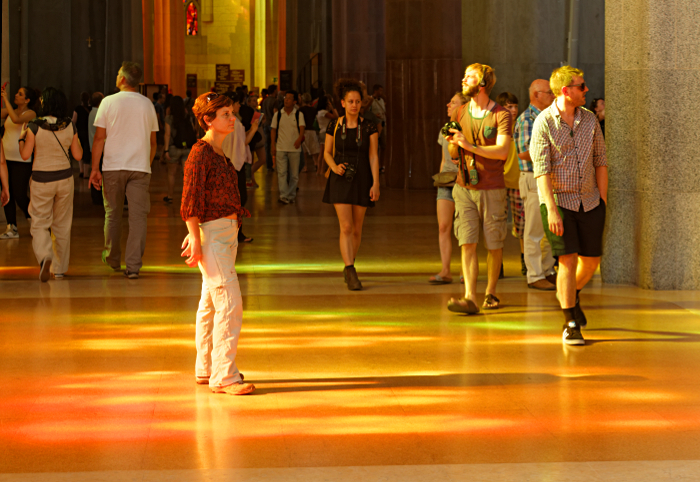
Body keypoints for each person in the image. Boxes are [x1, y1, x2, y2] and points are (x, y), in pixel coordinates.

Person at [180, 91, 255, 395]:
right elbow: (190, 200)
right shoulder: (201, 153)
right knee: (230, 302)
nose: (232, 118)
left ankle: (206, 367)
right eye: (225, 114)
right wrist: (196, 238)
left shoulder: (218, 151)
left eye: (232, 113)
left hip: (223, 234)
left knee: (211, 302)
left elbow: (204, 198)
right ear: (207, 120)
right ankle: (224, 375)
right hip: (214, 237)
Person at [531, 66, 607, 346]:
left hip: (590, 202)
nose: (586, 90)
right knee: (567, 260)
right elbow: (541, 170)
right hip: (559, 203)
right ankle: (570, 322)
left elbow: (601, 160)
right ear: (566, 91)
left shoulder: (589, 120)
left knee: (591, 262)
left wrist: (602, 200)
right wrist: (551, 209)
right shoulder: (544, 123)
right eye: (581, 86)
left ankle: (569, 295)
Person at [445, 63, 512, 314]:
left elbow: (503, 151)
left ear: (482, 84)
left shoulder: (501, 115)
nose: (464, 80)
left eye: (469, 77)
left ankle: (491, 291)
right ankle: (470, 297)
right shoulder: (460, 111)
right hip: (463, 186)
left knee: (494, 244)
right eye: (464, 76)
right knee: (467, 241)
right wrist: (453, 144)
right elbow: (453, 149)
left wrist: (469, 146)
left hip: (492, 187)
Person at [90, 61, 159, 279]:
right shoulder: (147, 104)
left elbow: (100, 138)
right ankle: (133, 266)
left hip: (113, 166)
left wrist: (94, 169)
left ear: (122, 79)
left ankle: (112, 257)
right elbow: (153, 142)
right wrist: (145, 163)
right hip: (140, 167)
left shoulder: (108, 102)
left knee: (113, 214)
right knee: (138, 218)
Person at [322, 79, 380, 290]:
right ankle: (350, 269)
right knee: (345, 226)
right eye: (350, 101)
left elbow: (373, 156)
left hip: (362, 176)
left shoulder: (369, 126)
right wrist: (334, 166)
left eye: (358, 101)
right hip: (341, 176)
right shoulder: (334, 125)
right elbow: (327, 152)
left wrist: (376, 183)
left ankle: (350, 264)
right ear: (343, 103)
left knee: (356, 229)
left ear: (362, 103)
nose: (354, 105)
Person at [19, 87, 82, 281]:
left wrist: (22, 138)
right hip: (64, 179)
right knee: (62, 224)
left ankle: (45, 255)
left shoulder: (34, 126)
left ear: (43, 103)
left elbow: (25, 155)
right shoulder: (69, 125)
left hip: (41, 180)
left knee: (39, 222)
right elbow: (78, 155)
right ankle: (60, 268)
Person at [514, 79, 558, 290]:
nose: (553, 96)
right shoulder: (527, 119)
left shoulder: (549, 117)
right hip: (532, 178)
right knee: (533, 230)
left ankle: (548, 270)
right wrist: (555, 151)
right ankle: (534, 275)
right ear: (536, 95)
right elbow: (524, 151)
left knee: (551, 229)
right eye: (549, 93)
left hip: (548, 177)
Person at [430, 92, 468, 285]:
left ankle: (465, 270)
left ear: (462, 107)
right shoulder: (444, 130)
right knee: (443, 226)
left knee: (464, 228)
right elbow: (444, 159)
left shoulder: (468, 129)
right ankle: (445, 270)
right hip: (446, 182)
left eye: (453, 103)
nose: (448, 105)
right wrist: (440, 178)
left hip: (463, 182)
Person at [496, 92, 527, 278]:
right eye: (509, 107)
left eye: (515, 106)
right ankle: (497, 265)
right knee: (497, 224)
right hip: (499, 182)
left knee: (522, 225)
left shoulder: (522, 125)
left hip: (518, 182)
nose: (513, 110)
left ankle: (525, 261)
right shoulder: (497, 127)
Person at [0, 85, 37, 239]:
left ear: (27, 100)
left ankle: (35, 220)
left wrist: (5, 99)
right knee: (7, 193)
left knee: (20, 194)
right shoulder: (9, 111)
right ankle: (11, 227)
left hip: (22, 159)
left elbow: (16, 120)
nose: (16, 95)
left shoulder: (30, 113)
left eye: (20, 94)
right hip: (4, 159)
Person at [270, 90, 305, 204]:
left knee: (294, 174)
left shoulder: (298, 114)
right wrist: (273, 145)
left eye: (290, 98)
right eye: (286, 98)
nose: (286, 100)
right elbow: (273, 130)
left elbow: (302, 128)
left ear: (294, 101)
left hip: (294, 148)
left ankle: (291, 195)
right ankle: (283, 195)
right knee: (282, 173)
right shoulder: (278, 114)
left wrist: (299, 139)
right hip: (281, 147)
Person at [163, 96, 196, 203]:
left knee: (171, 174)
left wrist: (166, 150)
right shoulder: (187, 116)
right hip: (187, 148)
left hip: (174, 148)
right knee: (186, 174)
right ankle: (188, 197)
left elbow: (167, 135)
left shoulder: (169, 118)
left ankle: (170, 196)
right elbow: (193, 131)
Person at [88, 92, 105, 206]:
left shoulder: (92, 112)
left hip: (93, 146)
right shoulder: (99, 113)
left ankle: (97, 197)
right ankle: (98, 197)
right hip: (100, 148)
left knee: (95, 170)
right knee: (98, 172)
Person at [315, 95, 338, 175]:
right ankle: (322, 170)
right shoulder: (324, 113)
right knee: (326, 152)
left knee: (321, 152)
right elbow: (336, 116)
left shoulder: (318, 112)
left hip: (321, 132)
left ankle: (318, 170)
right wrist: (332, 107)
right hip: (326, 132)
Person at [72, 92, 92, 178]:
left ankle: (81, 170)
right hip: (88, 133)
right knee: (87, 152)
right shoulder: (91, 109)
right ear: (88, 99)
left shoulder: (77, 108)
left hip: (79, 132)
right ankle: (86, 173)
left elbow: (73, 120)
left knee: (80, 150)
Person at [299, 92, 320, 173]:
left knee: (304, 150)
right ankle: (316, 163)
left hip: (304, 131)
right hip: (312, 130)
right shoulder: (314, 110)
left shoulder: (301, 110)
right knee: (314, 150)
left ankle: (305, 166)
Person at [261, 84, 278, 171]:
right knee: (276, 144)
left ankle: (269, 165)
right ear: (274, 91)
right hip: (272, 124)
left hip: (266, 124)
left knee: (267, 145)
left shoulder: (265, 100)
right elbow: (275, 113)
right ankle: (278, 164)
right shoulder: (275, 101)